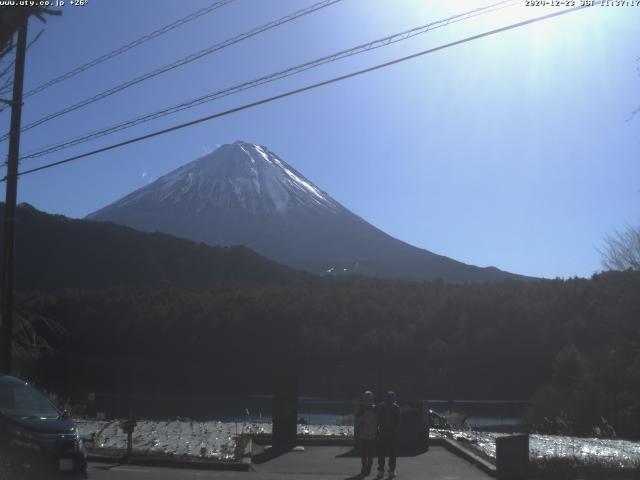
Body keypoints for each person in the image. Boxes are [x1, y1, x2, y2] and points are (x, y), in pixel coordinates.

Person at [376, 391, 401, 479]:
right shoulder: (396, 407)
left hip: (382, 432)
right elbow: (398, 422)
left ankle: (381, 471)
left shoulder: (380, 407)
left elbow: (377, 420)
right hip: (392, 433)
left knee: (381, 453)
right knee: (392, 453)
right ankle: (391, 471)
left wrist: (376, 431)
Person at [354, 390, 377, 476]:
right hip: (363, 434)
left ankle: (369, 466)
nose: (367, 399)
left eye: (369, 397)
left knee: (370, 453)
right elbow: (357, 419)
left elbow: (377, 421)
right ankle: (364, 466)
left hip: (371, 434)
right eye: (366, 397)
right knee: (363, 453)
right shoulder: (361, 409)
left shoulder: (375, 408)